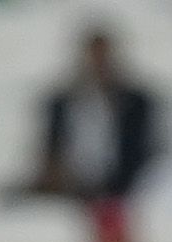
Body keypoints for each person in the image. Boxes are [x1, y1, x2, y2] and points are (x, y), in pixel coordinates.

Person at [31, 21, 160, 205]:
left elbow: (144, 150)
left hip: (122, 187)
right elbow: (51, 147)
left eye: (103, 57)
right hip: (71, 187)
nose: (98, 64)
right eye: (93, 57)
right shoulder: (62, 102)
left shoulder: (136, 102)